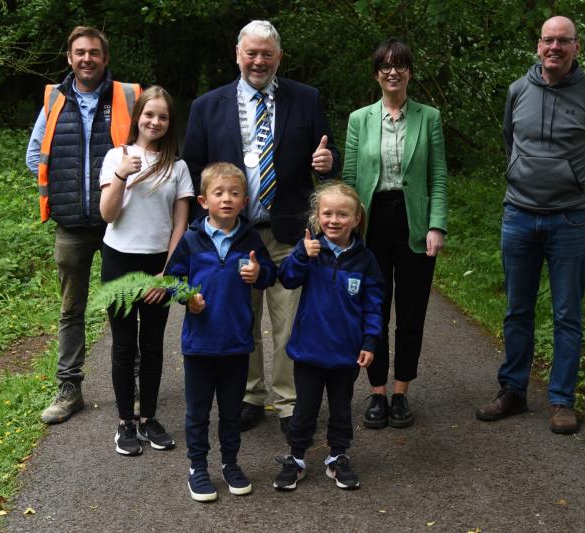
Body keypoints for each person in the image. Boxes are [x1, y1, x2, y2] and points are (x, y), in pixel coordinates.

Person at [182, 20, 340, 433]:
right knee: (240, 320)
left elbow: (329, 156)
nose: (258, 61)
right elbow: (193, 169)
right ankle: (250, 396)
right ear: (237, 55)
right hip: (234, 236)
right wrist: (205, 231)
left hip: (288, 231)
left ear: (279, 58)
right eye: (251, 53)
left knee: (290, 322)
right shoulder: (207, 106)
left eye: (266, 54)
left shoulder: (306, 100)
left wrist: (328, 163)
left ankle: (288, 403)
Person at [475, 16, 585, 434]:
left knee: (566, 314)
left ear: (576, 48)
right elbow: (510, 142)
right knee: (517, 310)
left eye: (563, 41)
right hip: (519, 215)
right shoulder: (518, 90)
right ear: (538, 46)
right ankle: (513, 392)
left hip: (570, 221)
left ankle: (561, 401)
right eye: (548, 40)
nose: (554, 47)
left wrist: (582, 196)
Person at [26, 26, 141, 424]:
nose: (87, 59)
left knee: (124, 304)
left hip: (120, 223)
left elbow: (150, 149)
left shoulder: (128, 98)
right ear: (69, 59)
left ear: (105, 59)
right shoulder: (54, 101)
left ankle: (136, 387)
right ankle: (69, 389)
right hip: (71, 225)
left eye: (94, 52)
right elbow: (34, 156)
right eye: (80, 53)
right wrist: (65, 192)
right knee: (71, 309)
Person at [342, 39, 448, 429]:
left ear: (409, 72)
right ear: (376, 74)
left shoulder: (429, 117)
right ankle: (376, 391)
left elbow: (437, 177)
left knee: (412, 309)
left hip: (414, 220)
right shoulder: (360, 119)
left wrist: (437, 224)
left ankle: (401, 391)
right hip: (371, 222)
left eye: (399, 65)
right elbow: (351, 179)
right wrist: (346, 230)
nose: (392, 72)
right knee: (373, 308)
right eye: (385, 66)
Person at [166, 163, 277, 502]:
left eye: (234, 193)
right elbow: (172, 281)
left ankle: (230, 464)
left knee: (231, 412)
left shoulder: (251, 239)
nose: (226, 199)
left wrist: (258, 272)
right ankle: (197, 467)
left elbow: (271, 274)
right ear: (203, 200)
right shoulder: (191, 240)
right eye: (219, 193)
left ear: (244, 201)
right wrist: (188, 298)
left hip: (236, 344)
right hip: (199, 345)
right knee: (197, 412)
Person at [98, 86, 192, 455]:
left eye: (163, 116)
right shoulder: (115, 157)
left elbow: (180, 226)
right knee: (123, 345)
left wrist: (166, 276)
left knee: (152, 345)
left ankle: (149, 418)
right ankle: (125, 423)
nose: (155, 121)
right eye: (149, 114)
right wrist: (121, 175)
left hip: (158, 265)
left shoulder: (178, 167)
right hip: (120, 260)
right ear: (137, 116)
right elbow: (107, 215)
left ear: (171, 124)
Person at [272, 182, 384, 491]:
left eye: (342, 215)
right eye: (327, 214)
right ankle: (295, 458)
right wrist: (302, 256)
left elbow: (374, 307)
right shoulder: (310, 249)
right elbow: (288, 279)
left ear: (356, 219)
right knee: (304, 408)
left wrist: (370, 341)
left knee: (341, 409)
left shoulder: (366, 261)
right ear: (317, 217)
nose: (334, 220)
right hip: (309, 349)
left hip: (345, 353)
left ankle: (338, 456)